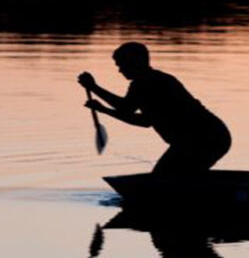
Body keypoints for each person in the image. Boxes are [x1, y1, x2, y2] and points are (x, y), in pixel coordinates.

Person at [77, 42, 231, 174]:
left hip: (203, 138)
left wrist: (95, 90)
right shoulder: (146, 82)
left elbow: (126, 109)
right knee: (176, 176)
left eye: (121, 65)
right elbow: (142, 120)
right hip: (207, 138)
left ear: (135, 62)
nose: (120, 70)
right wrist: (102, 105)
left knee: (163, 178)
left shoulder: (150, 83)